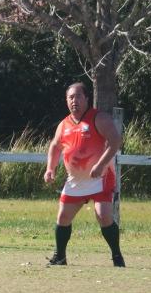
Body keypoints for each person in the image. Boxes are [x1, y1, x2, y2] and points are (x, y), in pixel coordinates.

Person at [44, 82, 125, 267]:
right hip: (76, 181)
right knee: (63, 218)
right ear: (66, 100)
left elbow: (115, 141)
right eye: (70, 97)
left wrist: (100, 164)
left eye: (78, 96)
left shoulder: (99, 118)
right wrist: (50, 168)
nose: (74, 101)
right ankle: (60, 257)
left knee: (103, 216)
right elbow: (55, 146)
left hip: (100, 177)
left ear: (87, 98)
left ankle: (117, 257)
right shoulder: (64, 124)